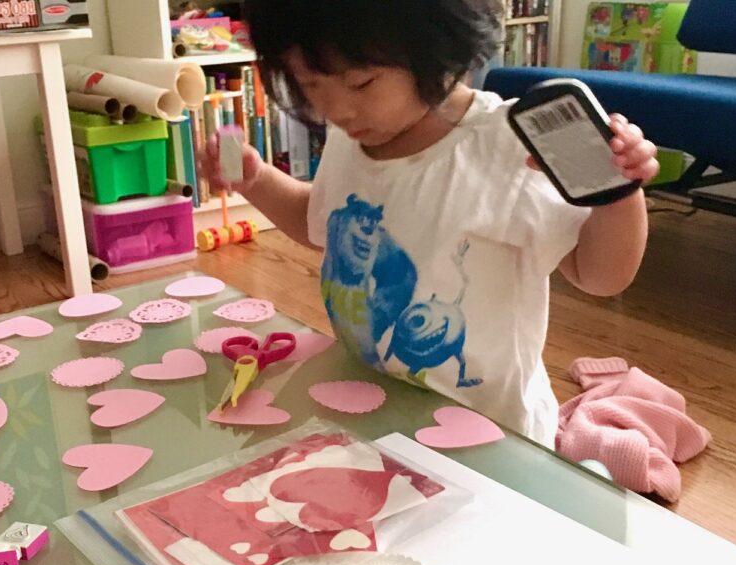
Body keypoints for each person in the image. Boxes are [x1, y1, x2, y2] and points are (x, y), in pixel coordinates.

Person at [200, 0, 659, 445]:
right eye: (313, 86)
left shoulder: (503, 148)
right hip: (377, 406)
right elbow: (319, 221)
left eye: (362, 83)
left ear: (437, 49)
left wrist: (618, 194)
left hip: (492, 433)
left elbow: (600, 275)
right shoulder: (350, 136)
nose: (336, 111)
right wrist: (256, 180)